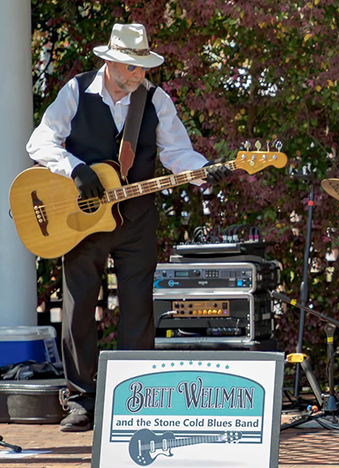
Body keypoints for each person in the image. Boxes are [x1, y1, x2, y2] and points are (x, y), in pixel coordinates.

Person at [26, 23, 230, 432]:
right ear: (112, 62)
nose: (140, 74)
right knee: (79, 307)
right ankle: (81, 401)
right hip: (81, 218)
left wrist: (203, 171)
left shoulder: (155, 100)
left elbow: (177, 153)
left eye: (143, 67)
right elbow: (40, 142)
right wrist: (75, 169)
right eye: (133, 67)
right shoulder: (76, 90)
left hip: (136, 218)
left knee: (138, 310)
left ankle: (133, 398)